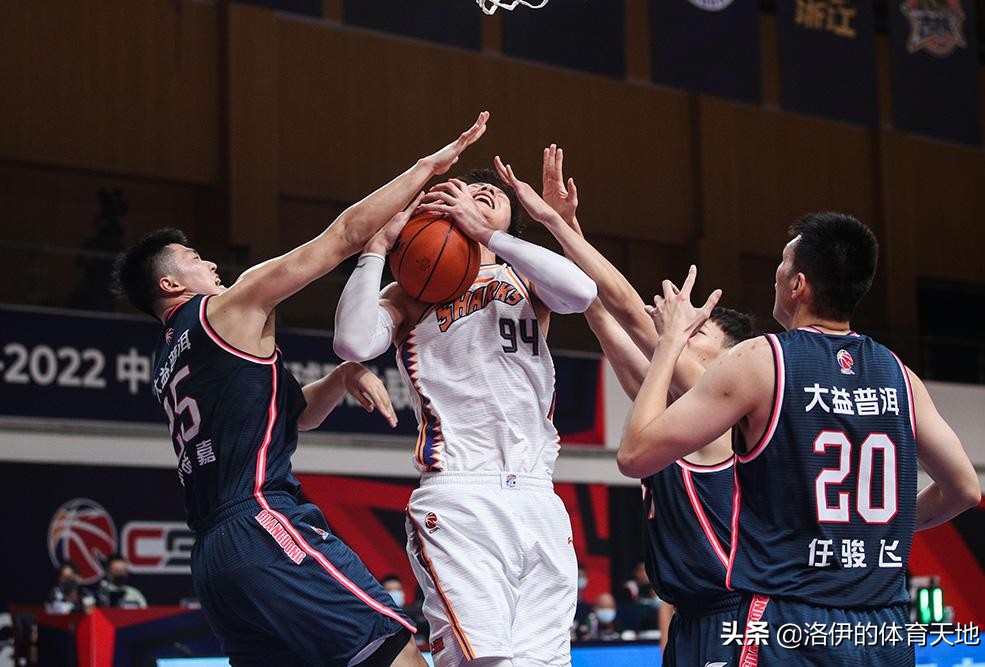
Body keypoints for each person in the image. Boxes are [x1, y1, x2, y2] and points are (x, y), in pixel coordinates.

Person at [110, 111, 493, 667]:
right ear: (170, 284)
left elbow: (291, 418)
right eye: (195, 259)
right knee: (395, 653)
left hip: (216, 560)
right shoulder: (227, 306)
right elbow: (339, 237)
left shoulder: (169, 361)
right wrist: (425, 168)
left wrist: (339, 377)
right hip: (263, 522)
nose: (211, 263)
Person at [619, 212, 982, 665]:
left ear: (798, 285)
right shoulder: (901, 376)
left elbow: (635, 454)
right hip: (884, 631)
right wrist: (874, 532)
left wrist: (671, 341)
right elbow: (964, 489)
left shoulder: (763, 360)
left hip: (791, 626)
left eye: (782, 264)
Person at [333, 155, 597, 665]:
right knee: (483, 660)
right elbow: (351, 341)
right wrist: (376, 248)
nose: (472, 202)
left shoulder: (526, 273)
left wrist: (491, 236)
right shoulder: (411, 291)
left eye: (486, 198)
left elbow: (583, 292)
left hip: (539, 493)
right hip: (461, 492)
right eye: (457, 197)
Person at [506, 144, 752, 667]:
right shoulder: (673, 409)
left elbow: (630, 312)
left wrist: (556, 224)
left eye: (700, 328)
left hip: (737, 619)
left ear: (725, 361)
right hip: (691, 619)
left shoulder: (722, 413)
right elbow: (598, 306)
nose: (685, 329)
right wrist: (571, 239)